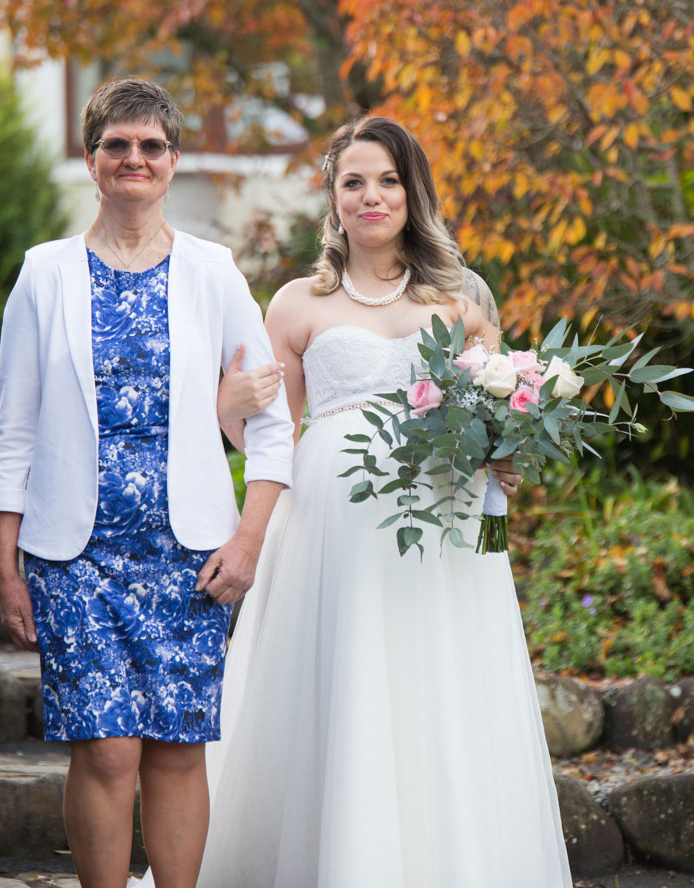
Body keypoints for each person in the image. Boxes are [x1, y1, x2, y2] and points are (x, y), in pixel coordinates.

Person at [195, 116, 572, 887]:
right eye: (354, 182)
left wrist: (507, 455)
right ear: (333, 200)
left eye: (389, 180)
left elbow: (501, 436)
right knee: (343, 691)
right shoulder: (298, 303)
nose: (372, 196)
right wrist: (226, 405)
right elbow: (268, 439)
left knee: (438, 687)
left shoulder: (461, 304)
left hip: (442, 532)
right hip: (331, 531)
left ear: (412, 191)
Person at [0, 76, 295, 888]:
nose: (134, 159)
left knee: (175, 749)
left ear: (172, 161)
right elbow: (13, 428)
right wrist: (5, 565)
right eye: (116, 145)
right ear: (91, 161)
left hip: (188, 551)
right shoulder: (43, 275)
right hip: (72, 550)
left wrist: (249, 539)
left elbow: (271, 427)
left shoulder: (214, 272)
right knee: (107, 746)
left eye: (150, 146)